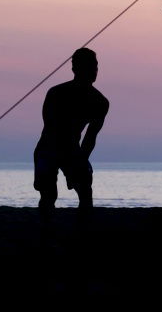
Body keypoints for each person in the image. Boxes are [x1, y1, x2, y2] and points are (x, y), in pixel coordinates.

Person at [33, 48, 109, 217]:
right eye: (89, 66)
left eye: (95, 66)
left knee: (85, 191)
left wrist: (81, 161)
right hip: (48, 148)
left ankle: (83, 230)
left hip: (73, 150)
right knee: (48, 194)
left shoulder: (100, 102)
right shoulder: (56, 93)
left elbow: (90, 138)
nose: (94, 71)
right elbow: (50, 126)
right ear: (75, 69)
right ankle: (45, 230)